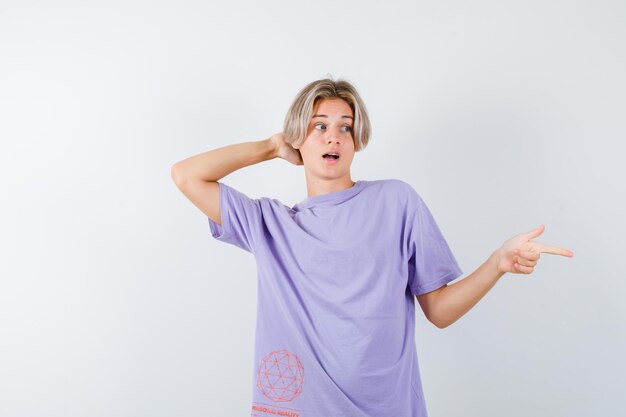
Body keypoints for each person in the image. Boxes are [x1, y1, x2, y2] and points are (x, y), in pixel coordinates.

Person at [171, 77, 574, 417]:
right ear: (299, 137)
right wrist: (272, 146)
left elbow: (439, 310)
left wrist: (497, 263)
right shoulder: (270, 225)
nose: (333, 137)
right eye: (318, 126)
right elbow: (187, 175)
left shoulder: (396, 202)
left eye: (345, 127)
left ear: (356, 138)